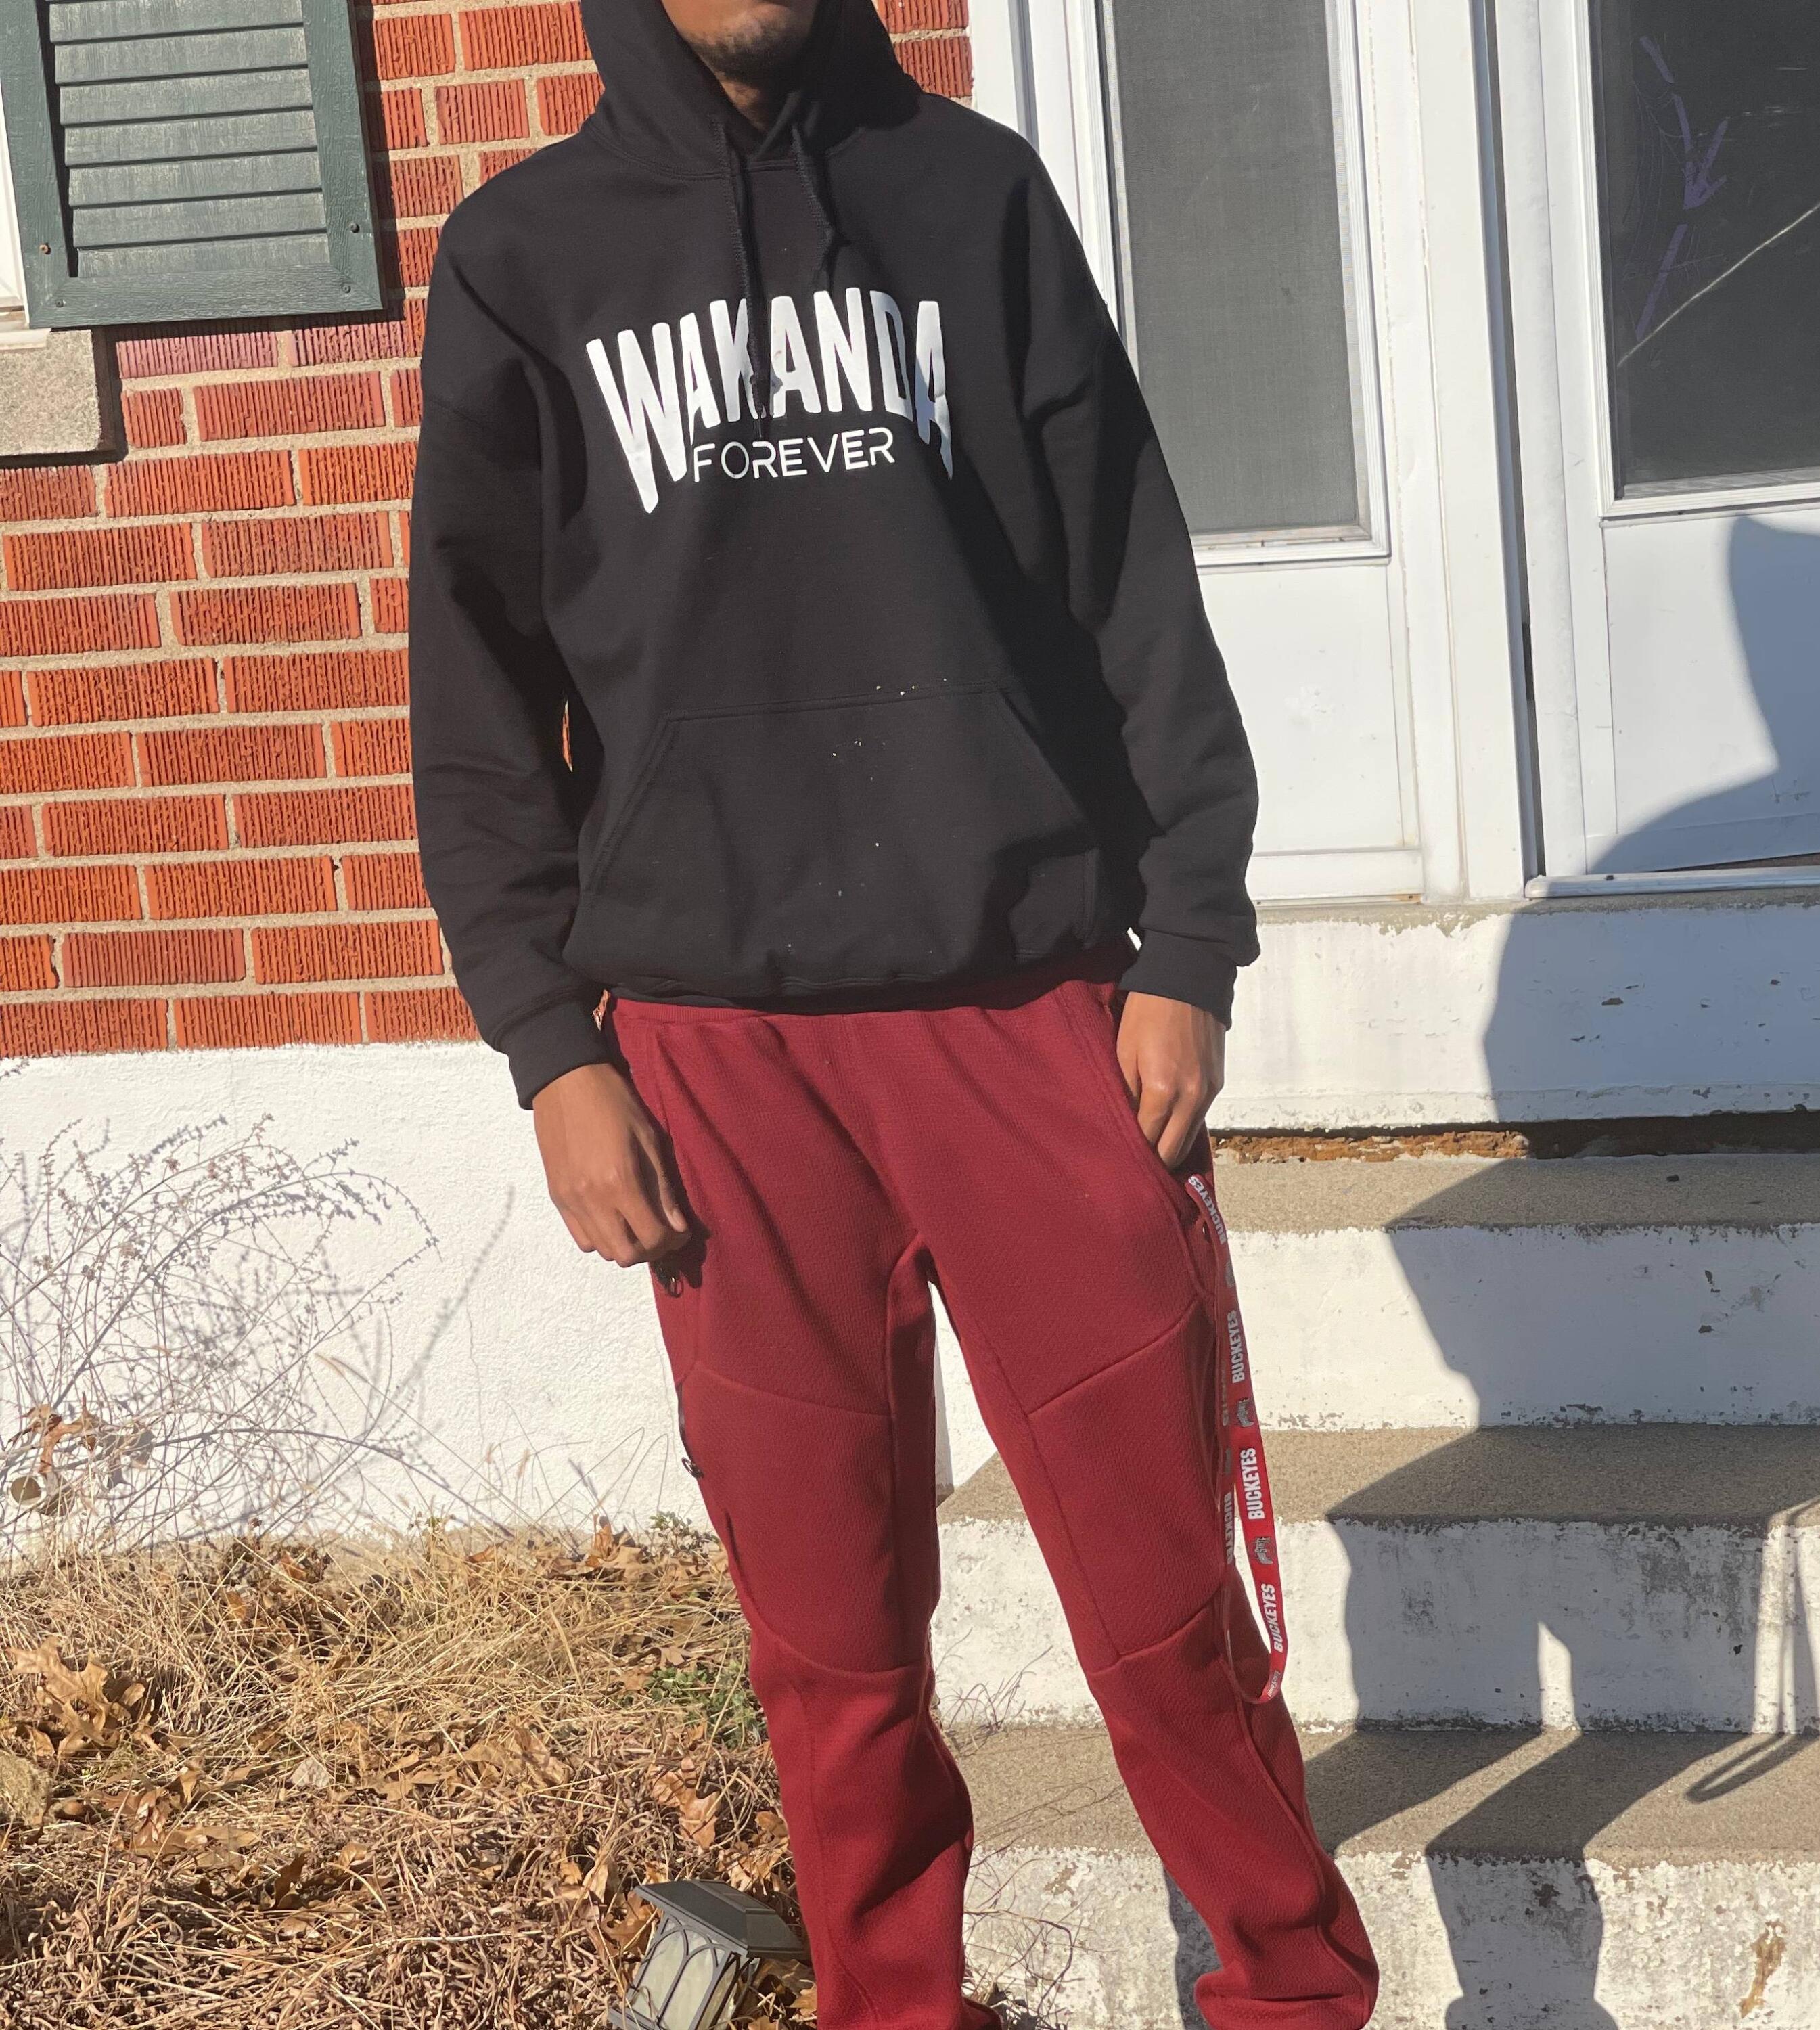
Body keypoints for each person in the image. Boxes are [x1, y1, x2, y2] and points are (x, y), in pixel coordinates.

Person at [407, 1, 1380, 2024]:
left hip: (1026, 1012)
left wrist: (1186, 946)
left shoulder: (973, 196)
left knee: (1165, 1614)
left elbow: (1129, 580)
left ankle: (1291, 1997)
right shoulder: (525, 255)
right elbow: (476, 685)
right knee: (833, 1652)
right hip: (714, 1057)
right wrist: (552, 1045)